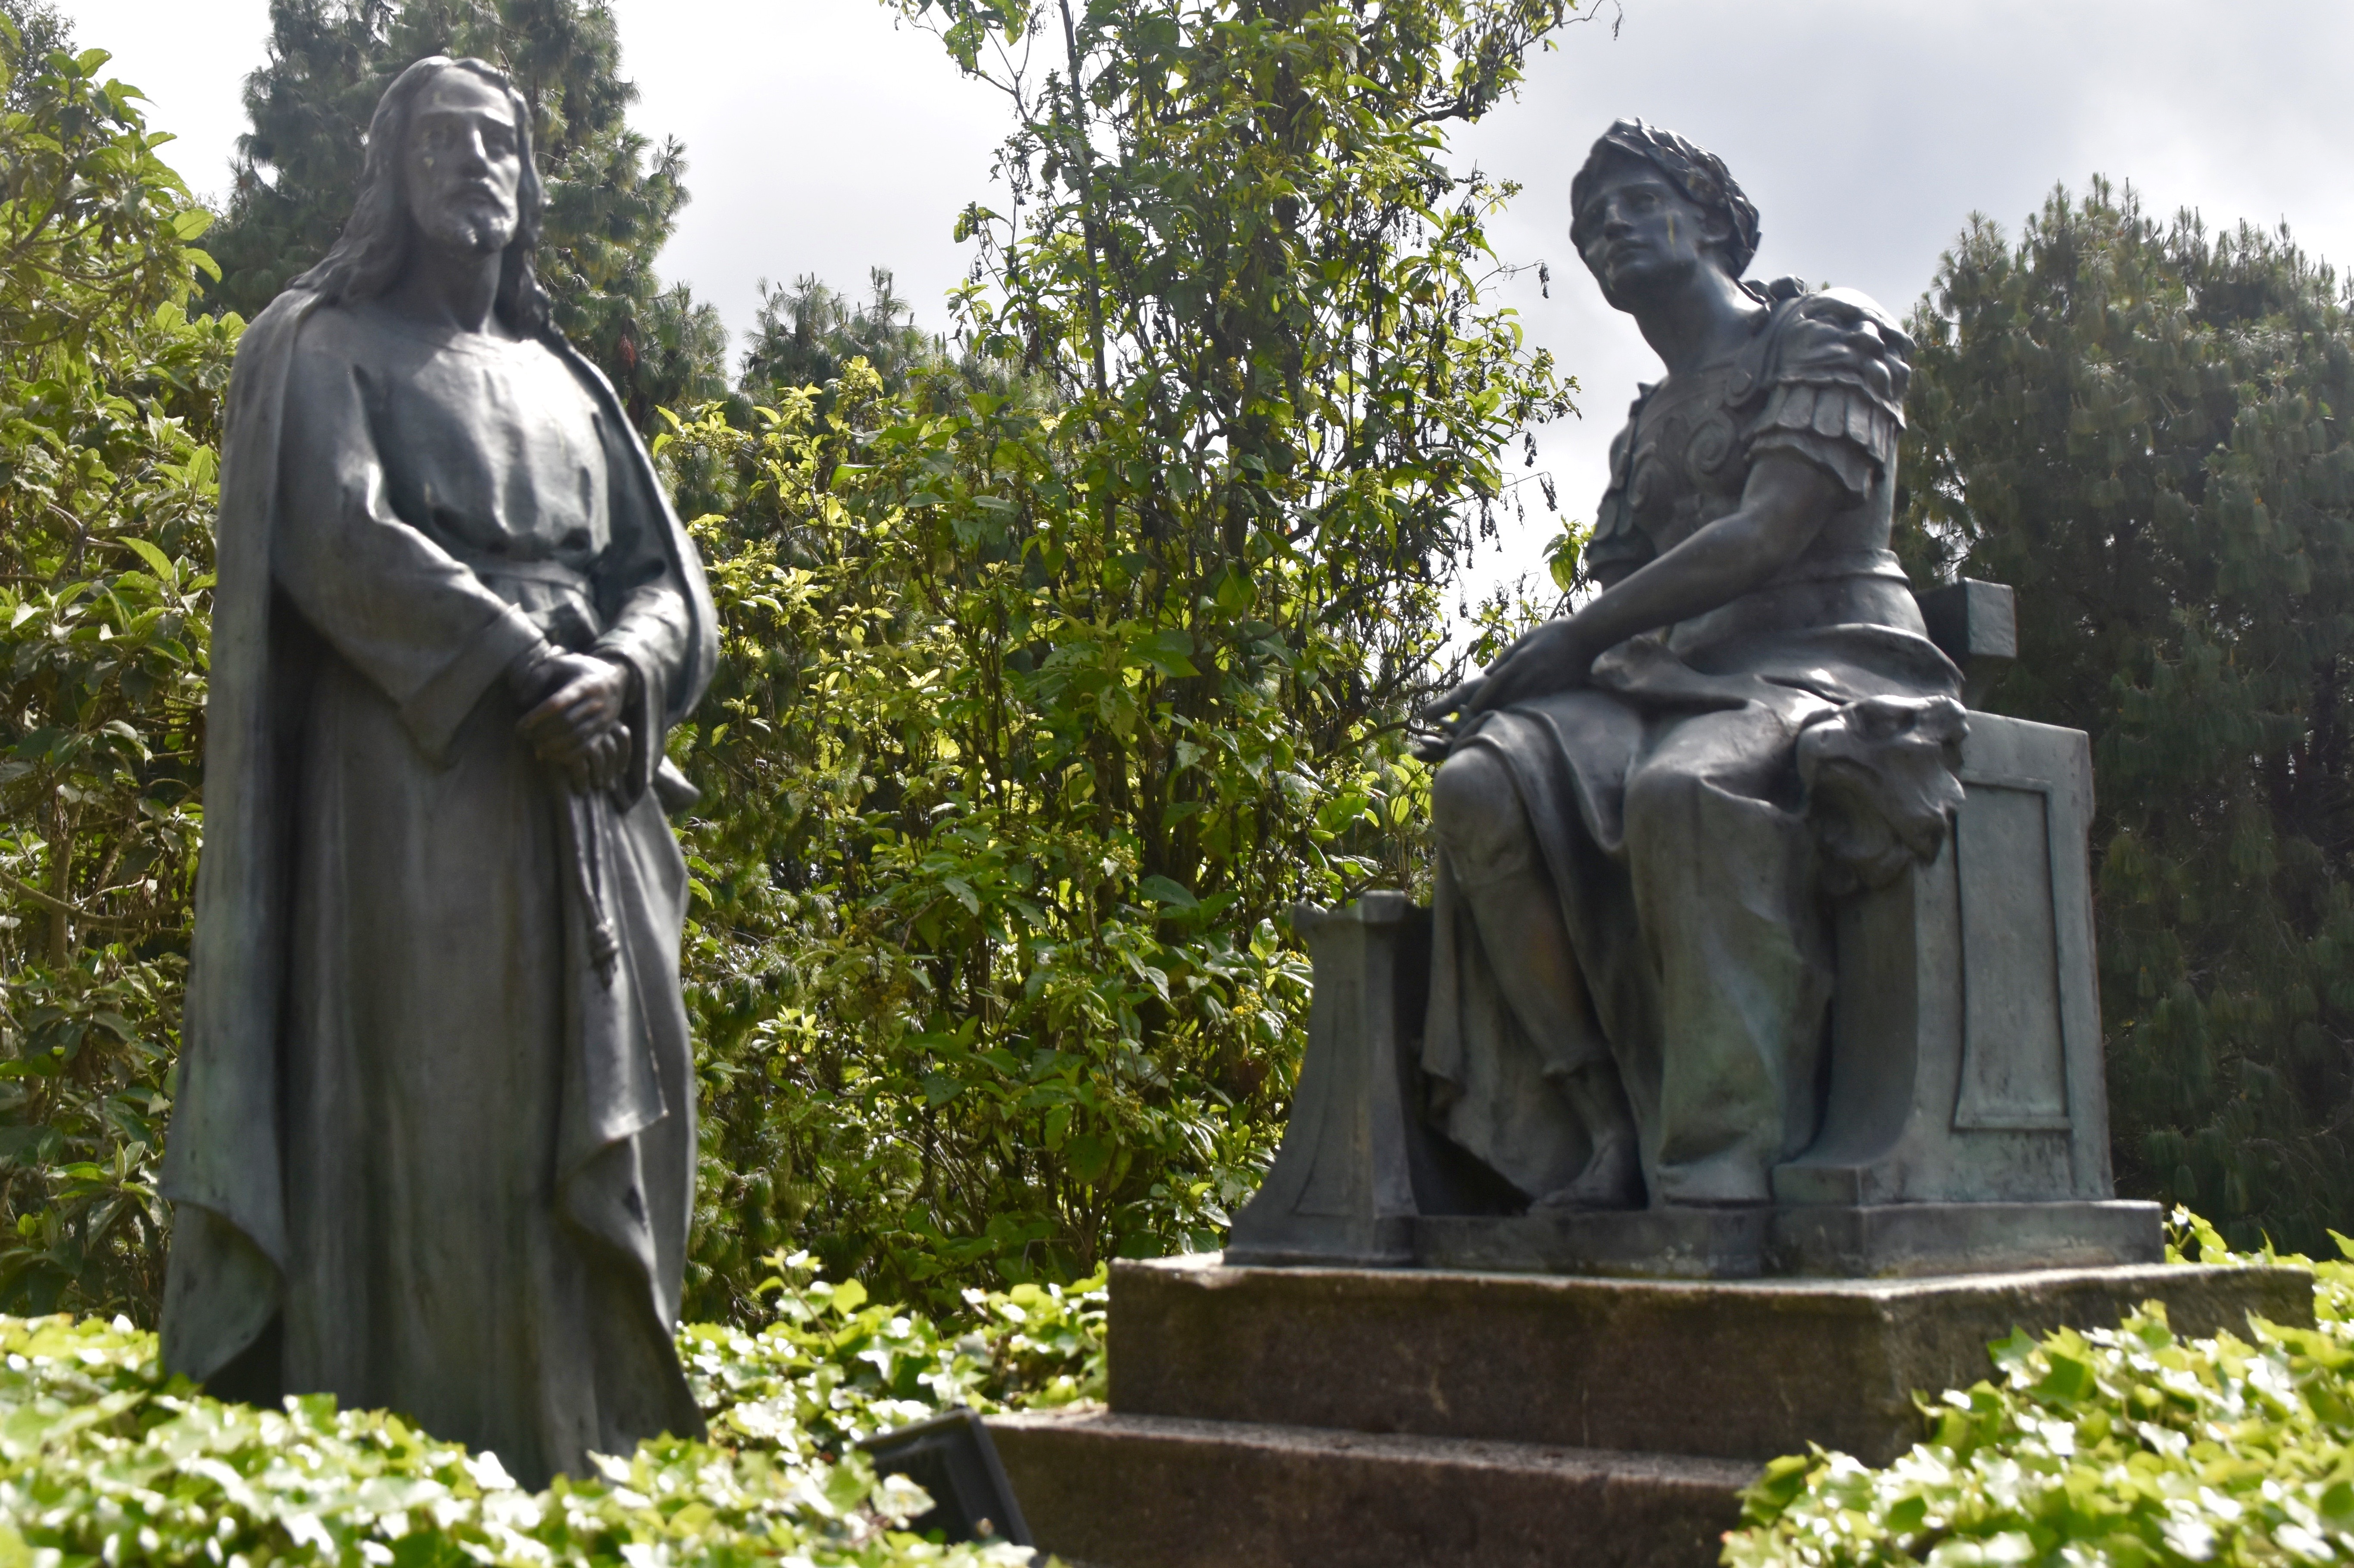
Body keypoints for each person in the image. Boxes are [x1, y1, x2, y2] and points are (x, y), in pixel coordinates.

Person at [158, 56, 717, 1487]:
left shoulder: (574, 383)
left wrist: (627, 674)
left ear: (529, 186)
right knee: (434, 1132)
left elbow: (669, 584)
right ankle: (426, 1468)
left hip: (590, 802)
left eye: (503, 146)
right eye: (447, 144)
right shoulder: (325, 344)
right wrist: (527, 666)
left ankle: (585, 1460)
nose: (480, 165)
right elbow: (336, 538)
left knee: (603, 1147)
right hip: (418, 800)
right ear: (392, 180)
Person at [1417, 120, 1965, 1212]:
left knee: (1685, 789)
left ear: (1709, 216)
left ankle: (1719, 1153)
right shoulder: (1646, 427)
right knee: (1478, 783)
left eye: (1630, 201)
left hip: (1829, 662)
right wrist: (1537, 685)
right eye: (1585, 225)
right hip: (1673, 680)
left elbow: (1769, 531)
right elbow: (1628, 613)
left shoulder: (1822, 335)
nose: (1603, 230)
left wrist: (1574, 641)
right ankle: (1602, 1126)